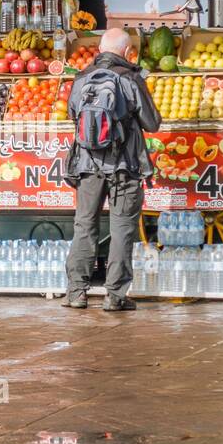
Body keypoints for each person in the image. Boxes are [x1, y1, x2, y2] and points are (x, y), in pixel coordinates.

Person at [63, 27, 161, 311]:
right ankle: (115, 296)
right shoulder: (130, 78)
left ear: (99, 50)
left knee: (84, 226)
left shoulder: (81, 78)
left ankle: (76, 293)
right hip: (124, 166)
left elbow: (73, 114)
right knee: (121, 229)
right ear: (128, 51)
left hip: (86, 164)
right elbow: (152, 122)